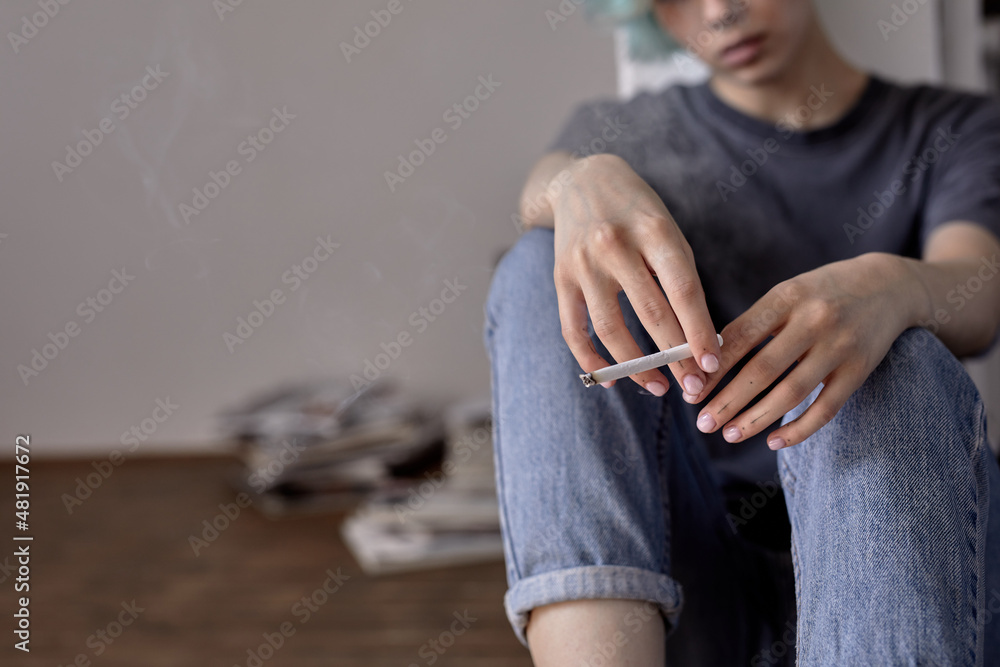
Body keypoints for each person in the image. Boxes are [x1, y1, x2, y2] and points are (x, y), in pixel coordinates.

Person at [482, 0, 1000, 664]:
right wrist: (574, 181)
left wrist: (891, 287)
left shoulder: (953, 126)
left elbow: (977, 293)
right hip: (702, 580)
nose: (721, 11)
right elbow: (540, 193)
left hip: (910, 572)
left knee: (893, 357)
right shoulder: (624, 136)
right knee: (535, 264)